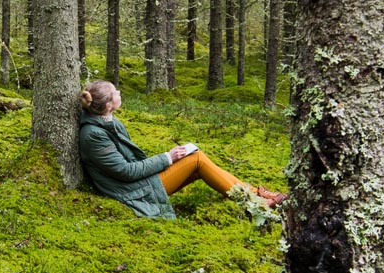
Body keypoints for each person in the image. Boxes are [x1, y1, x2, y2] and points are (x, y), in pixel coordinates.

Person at [79, 80, 288, 219]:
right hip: (131, 192)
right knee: (196, 160)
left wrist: (170, 157)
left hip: (136, 183)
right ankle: (256, 203)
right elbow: (125, 172)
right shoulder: (93, 135)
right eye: (115, 92)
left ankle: (254, 196)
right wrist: (167, 157)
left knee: (196, 161)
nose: (119, 92)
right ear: (107, 104)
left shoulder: (107, 121)